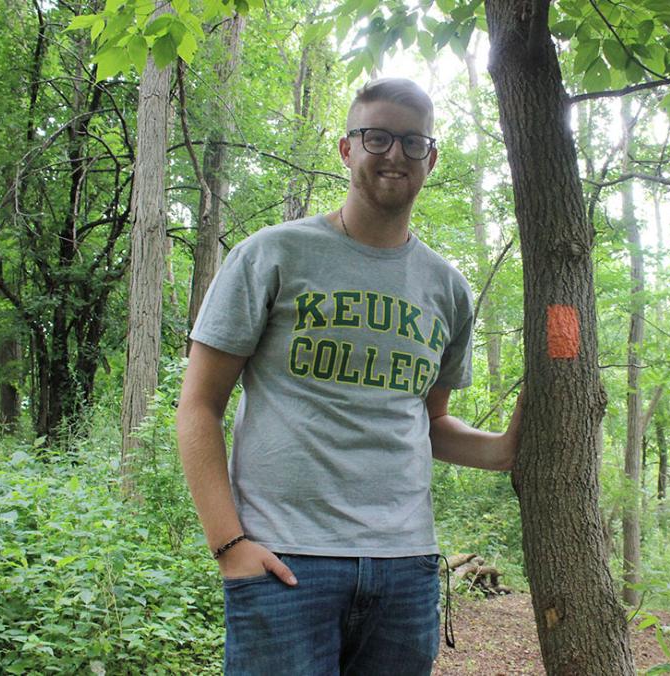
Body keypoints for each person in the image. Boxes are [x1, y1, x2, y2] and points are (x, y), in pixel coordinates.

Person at [176, 77, 522, 676]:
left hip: (407, 568)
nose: (395, 154)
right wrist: (228, 545)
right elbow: (199, 406)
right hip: (285, 562)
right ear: (346, 148)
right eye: (377, 137)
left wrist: (505, 448)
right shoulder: (272, 255)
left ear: (431, 158)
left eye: (413, 142)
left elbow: (431, 421)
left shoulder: (448, 288)